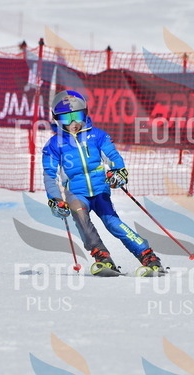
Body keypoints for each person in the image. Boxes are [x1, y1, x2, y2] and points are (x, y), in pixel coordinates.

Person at [42, 90, 164, 276]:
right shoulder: (53, 145)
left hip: (100, 189)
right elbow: (50, 175)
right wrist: (55, 199)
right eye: (67, 118)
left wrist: (118, 171)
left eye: (77, 116)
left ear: (85, 113)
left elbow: (112, 156)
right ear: (57, 119)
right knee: (80, 216)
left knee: (112, 222)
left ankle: (148, 256)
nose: (73, 123)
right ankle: (102, 257)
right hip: (75, 192)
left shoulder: (97, 136)